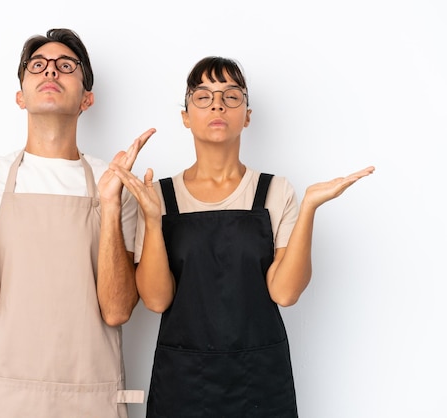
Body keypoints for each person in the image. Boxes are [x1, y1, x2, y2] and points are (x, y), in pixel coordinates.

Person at [110, 56, 375, 417]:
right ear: (185, 116)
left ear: (247, 115)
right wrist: (153, 221)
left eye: (231, 96)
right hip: (183, 380)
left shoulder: (275, 191)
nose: (217, 103)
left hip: (260, 378)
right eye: (202, 96)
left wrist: (310, 206)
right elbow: (157, 300)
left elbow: (285, 292)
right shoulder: (156, 195)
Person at [0, 28, 155, 418]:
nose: (51, 72)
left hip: (90, 397)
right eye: (38, 65)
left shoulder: (113, 182)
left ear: (87, 98)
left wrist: (110, 205)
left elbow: (117, 311)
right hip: (1, 397)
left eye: (66, 66)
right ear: (20, 96)